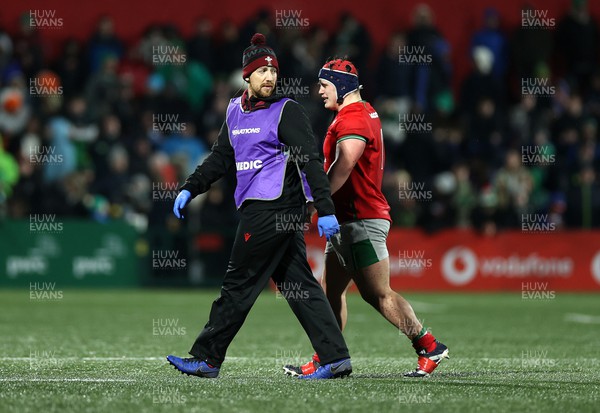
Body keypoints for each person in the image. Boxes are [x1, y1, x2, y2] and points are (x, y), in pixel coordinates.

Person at [166, 34, 352, 380]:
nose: (270, 78)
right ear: (246, 76)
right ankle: (335, 356)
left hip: (273, 209)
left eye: (274, 72)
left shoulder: (287, 110)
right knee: (301, 287)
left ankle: (207, 358)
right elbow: (222, 157)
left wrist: (325, 208)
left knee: (238, 284)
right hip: (262, 209)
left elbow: (311, 160)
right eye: (262, 72)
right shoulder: (234, 110)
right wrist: (191, 187)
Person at [283, 58, 449, 378]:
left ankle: (429, 345)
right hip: (350, 218)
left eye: (325, 85)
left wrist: (315, 201)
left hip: (360, 219)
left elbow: (344, 165)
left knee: (378, 295)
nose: (319, 91)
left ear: (342, 87)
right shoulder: (362, 112)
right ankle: (328, 358)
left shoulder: (354, 118)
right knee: (330, 290)